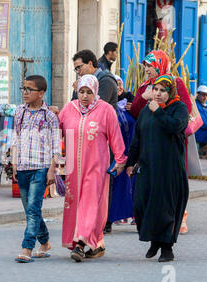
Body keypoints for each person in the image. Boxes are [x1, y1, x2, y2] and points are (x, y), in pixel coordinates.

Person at [59, 74, 126, 262]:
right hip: (72, 168)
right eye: (81, 91)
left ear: (95, 91)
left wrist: (120, 160)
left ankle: (80, 243)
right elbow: (56, 131)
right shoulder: (69, 109)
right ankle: (97, 243)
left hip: (96, 166)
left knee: (90, 204)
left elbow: (115, 137)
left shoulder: (105, 110)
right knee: (75, 205)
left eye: (89, 92)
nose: (85, 96)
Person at [126, 74, 189, 262]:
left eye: (163, 90)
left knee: (164, 207)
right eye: (156, 90)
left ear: (170, 92)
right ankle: (154, 240)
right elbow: (137, 138)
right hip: (147, 166)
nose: (159, 94)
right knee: (141, 204)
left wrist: (159, 112)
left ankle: (166, 247)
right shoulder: (146, 110)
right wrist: (130, 162)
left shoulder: (179, 108)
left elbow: (176, 127)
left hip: (169, 168)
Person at [11, 75, 61, 263]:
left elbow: (56, 145)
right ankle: (45, 242)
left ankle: (27, 248)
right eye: (23, 88)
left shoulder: (49, 116)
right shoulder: (19, 112)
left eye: (29, 90)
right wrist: (14, 164)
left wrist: (51, 169)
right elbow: (15, 138)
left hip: (41, 168)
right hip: (23, 167)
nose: (25, 93)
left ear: (41, 93)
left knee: (33, 208)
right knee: (30, 210)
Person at [107, 75, 136, 227]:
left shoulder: (129, 104)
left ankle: (134, 214)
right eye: (115, 84)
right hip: (114, 154)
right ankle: (112, 218)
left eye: (120, 84)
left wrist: (136, 107)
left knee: (131, 184)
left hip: (130, 152)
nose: (118, 88)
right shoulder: (109, 107)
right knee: (115, 186)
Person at [129, 50, 192, 120]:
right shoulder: (144, 86)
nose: (146, 69)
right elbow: (134, 113)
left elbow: (187, 109)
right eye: (145, 66)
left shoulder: (175, 83)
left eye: (149, 66)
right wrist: (143, 97)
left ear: (160, 65)